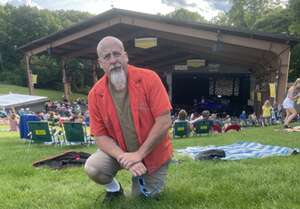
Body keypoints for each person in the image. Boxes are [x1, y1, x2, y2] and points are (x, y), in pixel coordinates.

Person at [85, 36, 173, 203]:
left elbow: (164, 122)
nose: (113, 60)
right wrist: (123, 157)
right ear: (100, 63)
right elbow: (100, 136)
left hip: (153, 153)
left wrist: (139, 154)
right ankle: (114, 189)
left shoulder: (149, 78)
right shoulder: (95, 94)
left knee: (143, 200)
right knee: (93, 168)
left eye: (116, 54)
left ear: (125, 56)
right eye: (107, 57)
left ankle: (144, 180)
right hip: (121, 152)